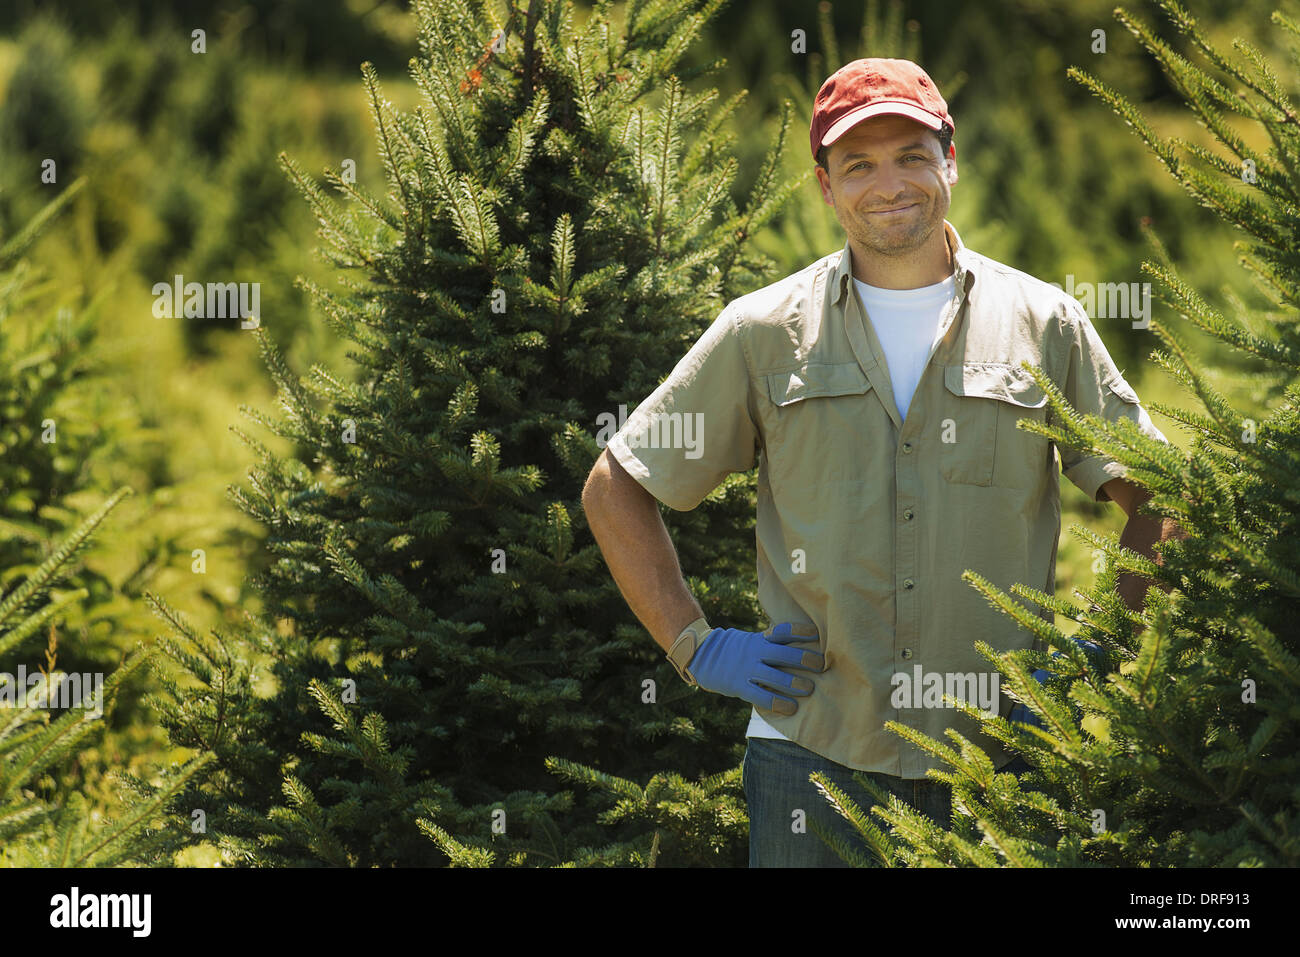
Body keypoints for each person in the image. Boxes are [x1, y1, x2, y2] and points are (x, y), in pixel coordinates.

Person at [581, 58, 1181, 867]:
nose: (888, 183)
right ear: (826, 187)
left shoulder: (1045, 323)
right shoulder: (762, 333)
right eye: (857, 165)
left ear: (950, 162)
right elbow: (617, 485)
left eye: (910, 155)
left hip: (1000, 757)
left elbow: (1162, 499)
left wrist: (1100, 654)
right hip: (809, 756)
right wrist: (696, 645)